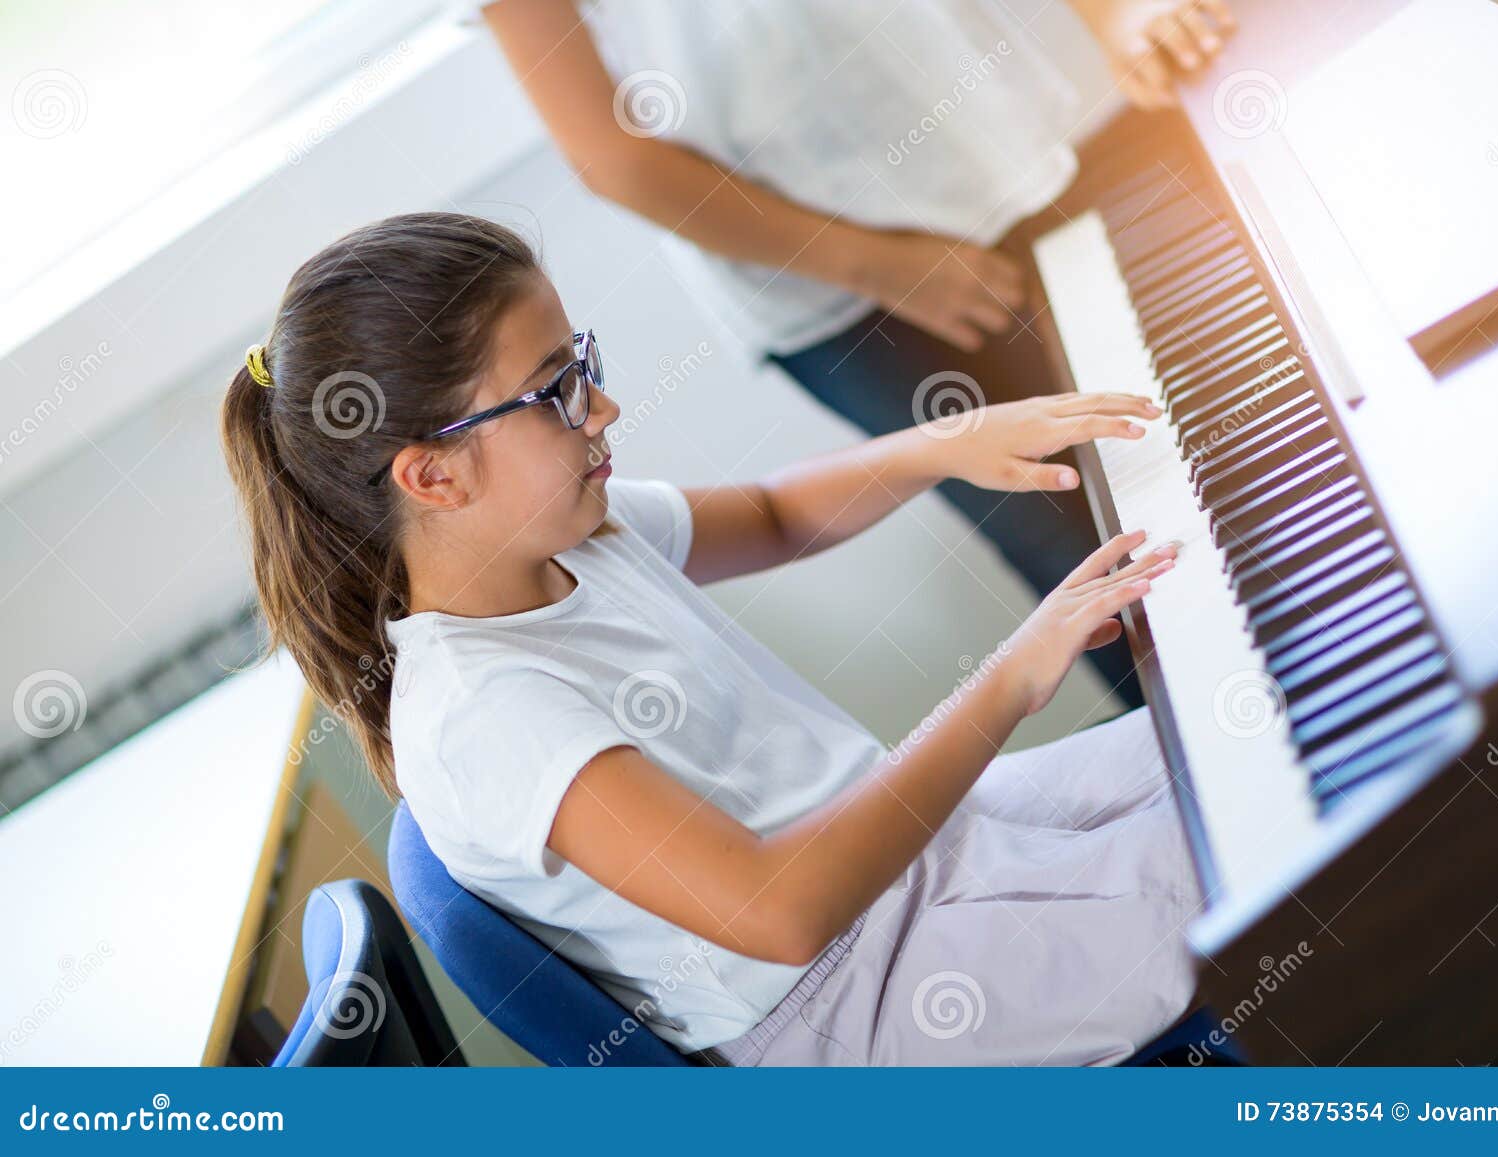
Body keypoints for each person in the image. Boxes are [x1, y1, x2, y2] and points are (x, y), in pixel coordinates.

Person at [221, 212, 1203, 1065]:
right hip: (850, 1005)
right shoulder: (486, 716)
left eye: (585, 362)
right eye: (556, 387)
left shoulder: (575, 537)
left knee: (1250, 727)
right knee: (1266, 851)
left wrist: (946, 443)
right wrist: (1011, 675)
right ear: (434, 477)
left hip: (912, 864)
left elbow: (775, 514)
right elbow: (780, 911)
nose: (601, 406)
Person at [468, 0, 1236, 706]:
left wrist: (1116, 17)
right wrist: (885, 267)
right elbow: (618, 158)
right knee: (1090, 547)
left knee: (1233, 420)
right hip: (857, 295)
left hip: (1049, 129)